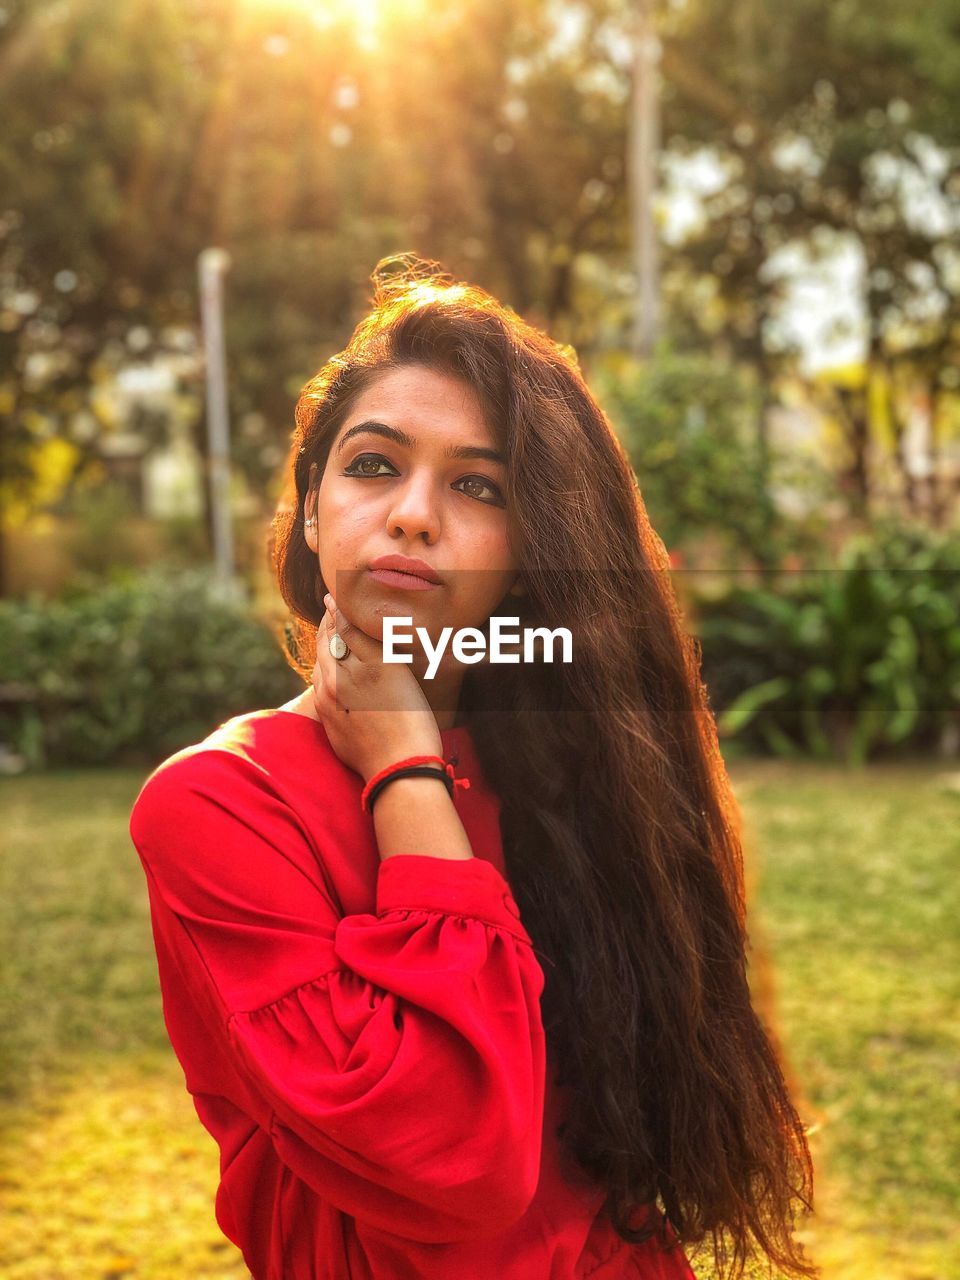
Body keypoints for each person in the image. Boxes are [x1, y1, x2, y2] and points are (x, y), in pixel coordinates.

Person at [128, 255, 818, 1280]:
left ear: (527, 550)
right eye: (372, 465)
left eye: (477, 484)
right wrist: (404, 763)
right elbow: (457, 1160)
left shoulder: (577, 774)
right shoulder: (218, 803)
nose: (412, 513)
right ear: (313, 511)